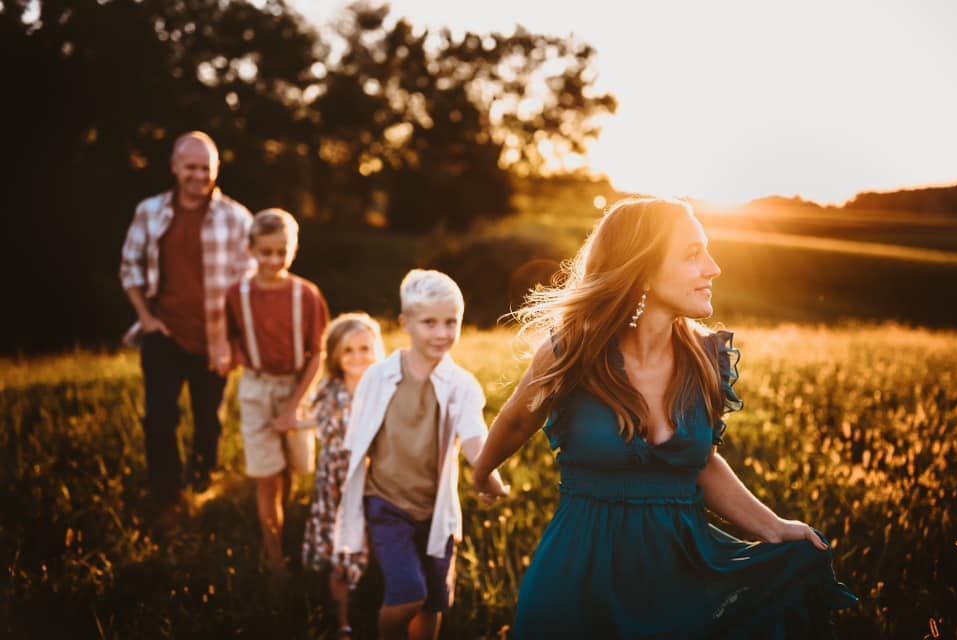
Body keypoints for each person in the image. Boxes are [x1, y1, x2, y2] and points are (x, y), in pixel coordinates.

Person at [472, 198, 858, 639]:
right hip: (581, 573)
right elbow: (519, 421)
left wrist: (775, 527)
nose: (713, 268)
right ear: (642, 268)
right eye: (693, 254)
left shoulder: (705, 360)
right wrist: (484, 471)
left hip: (680, 573)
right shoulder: (572, 352)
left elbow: (701, 463)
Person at [333, 269, 510, 640]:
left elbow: (476, 439)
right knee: (408, 594)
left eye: (451, 322)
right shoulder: (378, 377)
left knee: (432, 600)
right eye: (429, 322)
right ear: (405, 323)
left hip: (435, 512)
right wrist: (345, 492)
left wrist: (489, 477)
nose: (442, 333)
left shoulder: (461, 385)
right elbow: (358, 439)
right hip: (386, 504)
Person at [119, 131, 254, 528]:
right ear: (175, 167)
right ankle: (167, 497)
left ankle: (202, 485)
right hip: (164, 333)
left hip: (215, 338)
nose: (198, 175)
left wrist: (232, 339)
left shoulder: (237, 218)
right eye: (190, 167)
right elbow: (130, 268)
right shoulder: (150, 211)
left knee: (208, 419)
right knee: (160, 418)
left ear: (216, 171)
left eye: (205, 168)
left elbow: (246, 286)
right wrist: (146, 318)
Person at [225, 208, 330, 575]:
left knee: (293, 468)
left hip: (298, 386)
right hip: (256, 388)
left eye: (281, 252)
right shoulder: (237, 295)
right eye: (265, 251)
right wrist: (232, 356)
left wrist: (293, 408)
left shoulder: (307, 295)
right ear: (250, 249)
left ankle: (287, 524)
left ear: (293, 250)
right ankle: (274, 558)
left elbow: (318, 353)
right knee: (267, 476)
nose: (273, 260)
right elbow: (232, 337)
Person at [302, 313, 385, 638]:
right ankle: (343, 622)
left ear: (376, 350)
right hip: (336, 482)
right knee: (340, 549)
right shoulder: (329, 390)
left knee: (375, 540)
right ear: (335, 354)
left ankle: (377, 598)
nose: (357, 357)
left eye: (365, 348)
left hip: (374, 478)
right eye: (348, 350)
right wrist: (288, 423)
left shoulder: (383, 389)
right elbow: (316, 423)